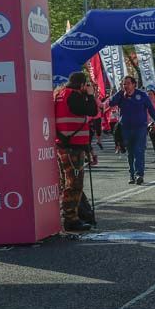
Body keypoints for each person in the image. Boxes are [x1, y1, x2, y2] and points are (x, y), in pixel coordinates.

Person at [53, 72, 99, 232]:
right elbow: (92, 111)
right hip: (72, 146)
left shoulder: (60, 94)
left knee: (69, 182)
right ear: (81, 85)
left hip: (65, 144)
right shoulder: (73, 96)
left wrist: (89, 149)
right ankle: (70, 219)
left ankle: (78, 215)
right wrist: (91, 95)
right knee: (74, 184)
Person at [108, 76, 155, 185]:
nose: (125, 86)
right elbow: (111, 103)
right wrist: (119, 92)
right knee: (130, 153)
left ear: (134, 84)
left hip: (140, 128)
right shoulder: (121, 96)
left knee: (139, 151)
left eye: (128, 83)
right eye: (124, 84)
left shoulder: (142, 95)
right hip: (125, 128)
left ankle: (139, 175)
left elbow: (150, 108)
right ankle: (132, 175)